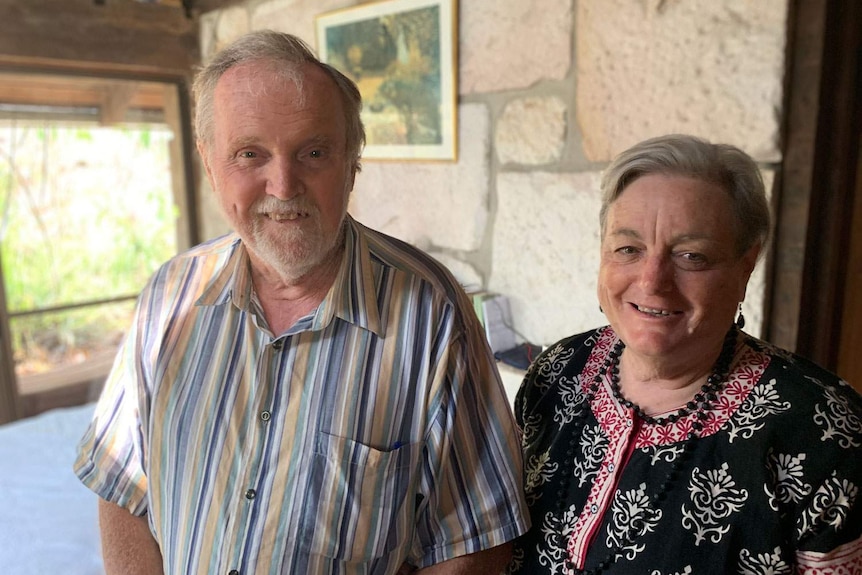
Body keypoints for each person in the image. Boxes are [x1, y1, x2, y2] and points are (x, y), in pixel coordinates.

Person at [74, 30, 530, 575]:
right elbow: (121, 484)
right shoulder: (168, 297)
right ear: (209, 162)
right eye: (250, 154)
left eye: (313, 152)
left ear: (351, 161)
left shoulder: (432, 313)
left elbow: (475, 542)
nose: (284, 185)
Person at [507, 134, 862, 574]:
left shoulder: (823, 427)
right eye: (628, 249)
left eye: (692, 256)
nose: (653, 281)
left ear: (745, 267)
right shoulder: (558, 370)